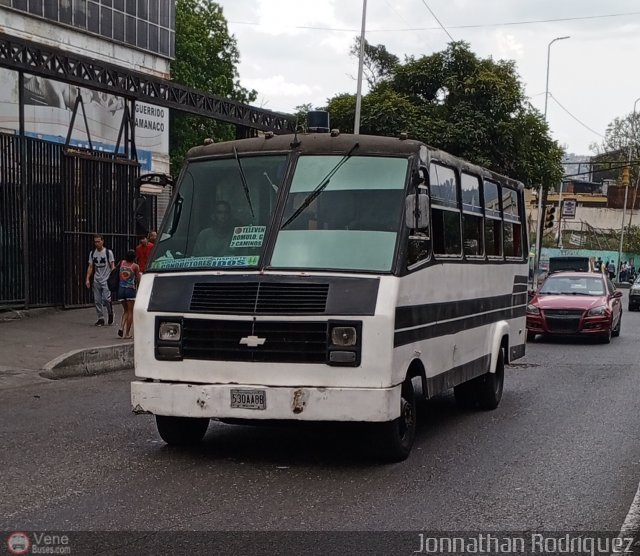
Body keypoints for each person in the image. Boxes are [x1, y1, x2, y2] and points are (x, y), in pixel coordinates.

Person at [85, 234, 115, 326]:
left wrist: (113, 278)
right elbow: (90, 266)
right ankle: (100, 318)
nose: (97, 243)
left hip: (106, 279)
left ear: (102, 241)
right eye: (95, 242)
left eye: (98, 241)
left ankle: (110, 312)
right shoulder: (92, 253)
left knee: (106, 299)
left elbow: (112, 265)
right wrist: (87, 279)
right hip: (97, 279)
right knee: (97, 300)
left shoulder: (108, 252)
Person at [117, 249, 141, 339]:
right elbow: (138, 279)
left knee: (125, 311)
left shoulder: (121, 263)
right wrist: (139, 289)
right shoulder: (135, 266)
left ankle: (121, 327)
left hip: (121, 289)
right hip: (130, 290)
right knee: (130, 311)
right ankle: (127, 333)